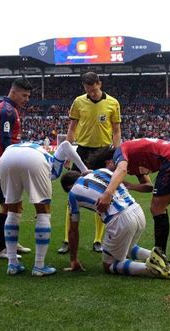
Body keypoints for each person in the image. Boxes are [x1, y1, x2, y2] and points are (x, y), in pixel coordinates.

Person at [59, 169, 170, 279]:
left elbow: (73, 231)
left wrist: (73, 259)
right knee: (126, 247)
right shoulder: (102, 171)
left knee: (109, 265)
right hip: (137, 211)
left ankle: (151, 269)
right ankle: (160, 258)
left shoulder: (73, 193)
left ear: (69, 187)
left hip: (120, 219)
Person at [0, 141, 89, 276]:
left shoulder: (42, 151)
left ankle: (12, 264)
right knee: (43, 212)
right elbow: (65, 145)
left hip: (6, 158)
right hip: (33, 160)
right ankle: (39, 266)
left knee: (12, 211)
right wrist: (84, 170)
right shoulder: (53, 163)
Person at [90, 138, 170, 254]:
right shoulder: (132, 160)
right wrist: (130, 185)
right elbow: (148, 186)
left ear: (108, 162)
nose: (110, 176)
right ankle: (160, 253)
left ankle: (160, 254)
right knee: (159, 208)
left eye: (108, 172)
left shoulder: (120, 152)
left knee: (157, 208)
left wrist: (108, 194)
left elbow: (121, 169)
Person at [58, 71, 121, 254]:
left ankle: (98, 240)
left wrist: (116, 154)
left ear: (99, 84)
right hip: (82, 151)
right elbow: (72, 128)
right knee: (73, 195)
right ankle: (67, 240)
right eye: (88, 90)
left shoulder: (113, 103)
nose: (92, 93)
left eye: (94, 89)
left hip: (103, 152)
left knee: (102, 196)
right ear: (84, 88)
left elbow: (116, 131)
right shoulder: (78, 102)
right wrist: (68, 153)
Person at [0, 78, 33, 259]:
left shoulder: (9, 108)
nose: (26, 99)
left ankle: (12, 243)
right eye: (24, 95)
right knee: (7, 208)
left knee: (16, 206)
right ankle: (1, 249)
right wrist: (10, 164)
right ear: (13, 92)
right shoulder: (7, 110)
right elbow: (5, 140)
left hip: (6, 163)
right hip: (4, 165)